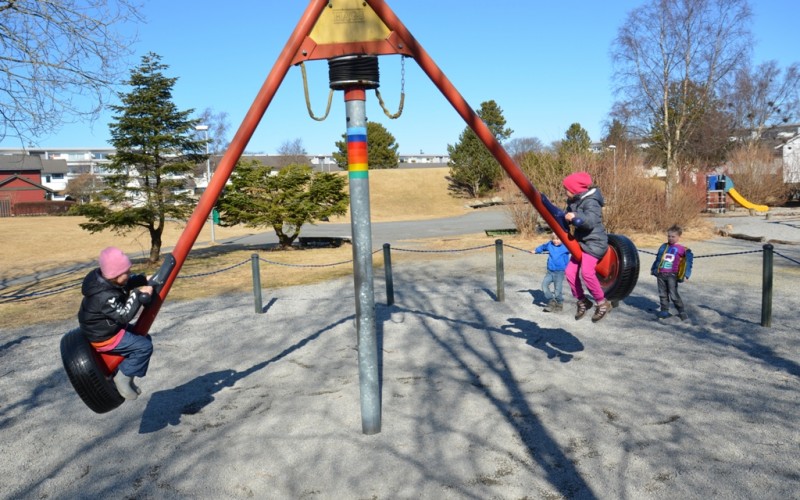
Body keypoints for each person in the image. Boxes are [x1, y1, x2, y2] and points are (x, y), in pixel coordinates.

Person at [78, 246, 154, 400]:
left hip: (109, 328)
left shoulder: (109, 282)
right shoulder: (105, 296)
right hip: (104, 337)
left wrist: (142, 279)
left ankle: (126, 373)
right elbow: (124, 316)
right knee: (144, 347)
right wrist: (139, 294)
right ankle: (122, 379)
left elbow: (125, 284)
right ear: (114, 275)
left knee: (145, 338)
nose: (129, 274)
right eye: (126, 273)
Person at [562, 171, 612, 322]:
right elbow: (567, 216)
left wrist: (576, 217)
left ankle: (602, 303)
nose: (565, 191)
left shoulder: (591, 201)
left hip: (595, 242)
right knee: (569, 272)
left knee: (587, 273)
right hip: (581, 242)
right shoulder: (573, 201)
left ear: (575, 190)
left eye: (567, 189)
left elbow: (590, 221)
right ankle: (582, 300)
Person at [650, 225, 694, 321]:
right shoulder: (664, 246)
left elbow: (688, 262)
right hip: (661, 274)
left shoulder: (682, 249)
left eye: (673, 236)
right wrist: (654, 269)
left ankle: (681, 311)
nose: (670, 238)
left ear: (679, 237)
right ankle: (664, 311)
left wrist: (686, 274)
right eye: (669, 236)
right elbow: (658, 259)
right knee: (662, 293)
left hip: (672, 275)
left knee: (673, 294)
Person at [534, 232, 570, 312]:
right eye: (554, 239)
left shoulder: (566, 247)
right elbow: (543, 247)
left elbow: (576, 249)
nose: (555, 241)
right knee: (544, 285)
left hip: (559, 272)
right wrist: (536, 250)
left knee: (557, 290)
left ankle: (560, 303)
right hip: (550, 271)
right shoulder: (550, 244)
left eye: (558, 239)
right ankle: (551, 300)